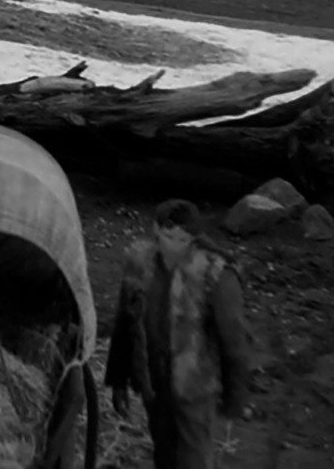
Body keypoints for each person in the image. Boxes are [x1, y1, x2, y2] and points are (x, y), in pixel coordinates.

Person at [103, 199, 252, 469]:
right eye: (167, 236)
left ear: (194, 239)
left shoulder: (215, 273)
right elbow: (125, 323)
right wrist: (118, 381)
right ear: (155, 230)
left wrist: (235, 397)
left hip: (195, 386)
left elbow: (234, 338)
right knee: (164, 452)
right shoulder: (140, 263)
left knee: (193, 458)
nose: (173, 245)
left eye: (182, 239)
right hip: (154, 381)